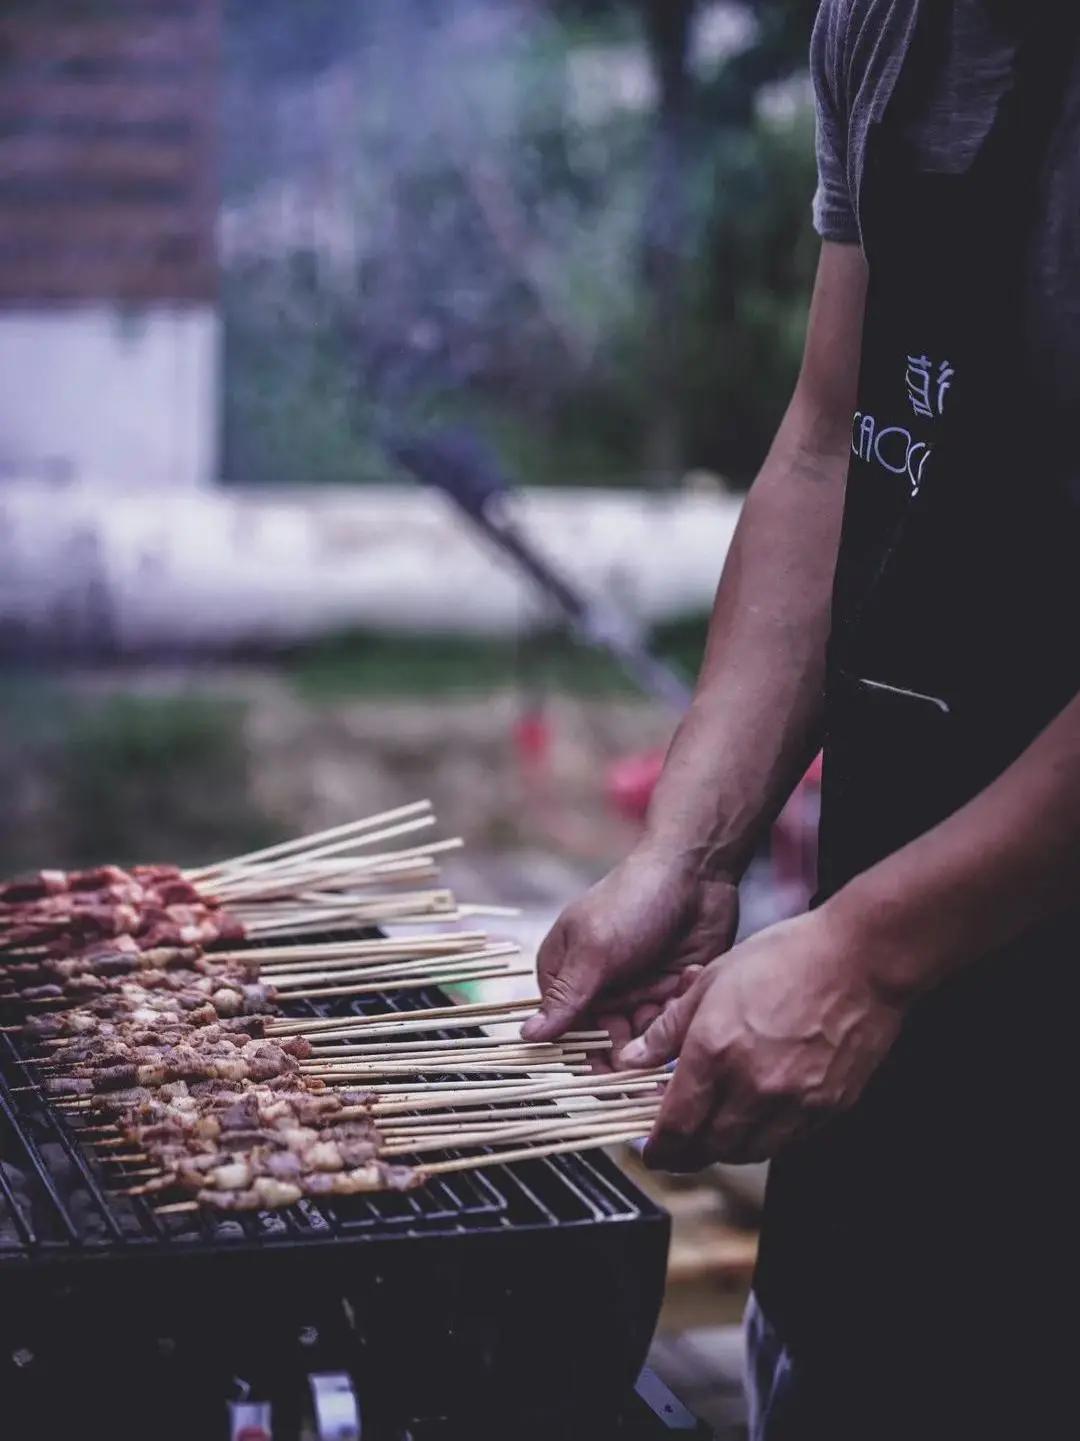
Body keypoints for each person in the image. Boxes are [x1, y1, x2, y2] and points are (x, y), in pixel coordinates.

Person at [523, 2, 1080, 1435]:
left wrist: (873, 953)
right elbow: (834, 443)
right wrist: (694, 854)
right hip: (900, 1080)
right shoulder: (892, 22)